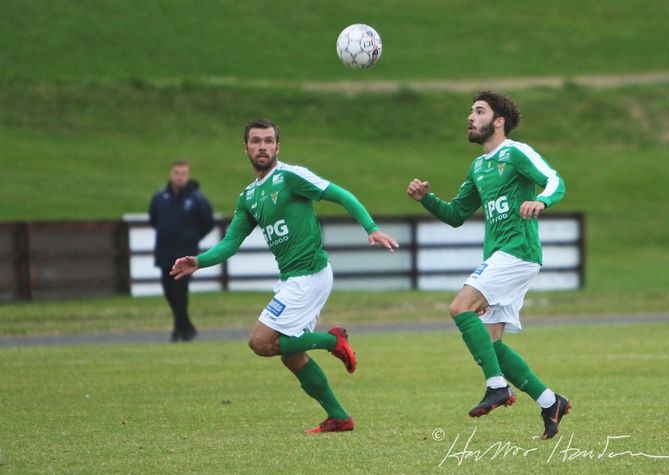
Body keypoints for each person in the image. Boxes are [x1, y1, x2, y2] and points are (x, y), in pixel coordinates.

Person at [171, 118, 399, 433]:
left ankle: (333, 340)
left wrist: (371, 228)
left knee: (261, 342)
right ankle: (340, 417)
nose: (262, 146)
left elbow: (341, 194)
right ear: (246, 148)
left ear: (278, 146)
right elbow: (229, 244)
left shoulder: (291, 177)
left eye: (268, 140)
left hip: (310, 275)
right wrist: (199, 261)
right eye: (255, 141)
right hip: (294, 278)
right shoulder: (249, 196)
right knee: (292, 355)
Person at [407, 91, 571, 440]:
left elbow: (555, 179)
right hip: (501, 255)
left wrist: (541, 200)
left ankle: (497, 386)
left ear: (499, 121)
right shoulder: (479, 167)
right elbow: (455, 215)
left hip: (518, 251)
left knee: (459, 307)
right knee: (492, 344)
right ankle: (550, 401)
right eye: (470, 111)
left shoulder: (515, 152)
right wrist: (427, 200)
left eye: (479, 111)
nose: (471, 117)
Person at [149, 160, 214, 342]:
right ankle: (187, 327)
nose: (180, 176)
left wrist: (193, 238)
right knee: (168, 292)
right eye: (177, 173)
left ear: (188, 175)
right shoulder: (160, 198)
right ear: (171, 174)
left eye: (183, 173)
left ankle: (178, 331)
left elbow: (208, 222)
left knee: (179, 293)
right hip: (165, 254)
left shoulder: (196, 200)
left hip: (185, 255)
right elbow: (154, 219)